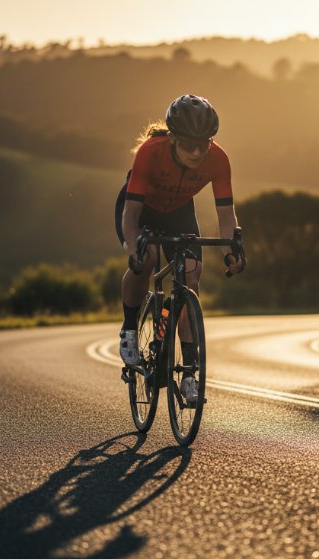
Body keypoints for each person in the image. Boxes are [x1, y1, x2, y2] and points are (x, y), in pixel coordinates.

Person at [114, 94, 245, 401]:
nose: (198, 152)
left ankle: (189, 372)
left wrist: (233, 250)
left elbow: (226, 215)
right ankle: (130, 330)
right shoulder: (150, 152)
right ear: (172, 138)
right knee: (145, 261)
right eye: (189, 144)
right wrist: (134, 249)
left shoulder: (219, 159)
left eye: (205, 143)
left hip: (179, 213)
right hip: (141, 209)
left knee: (192, 276)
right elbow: (130, 216)